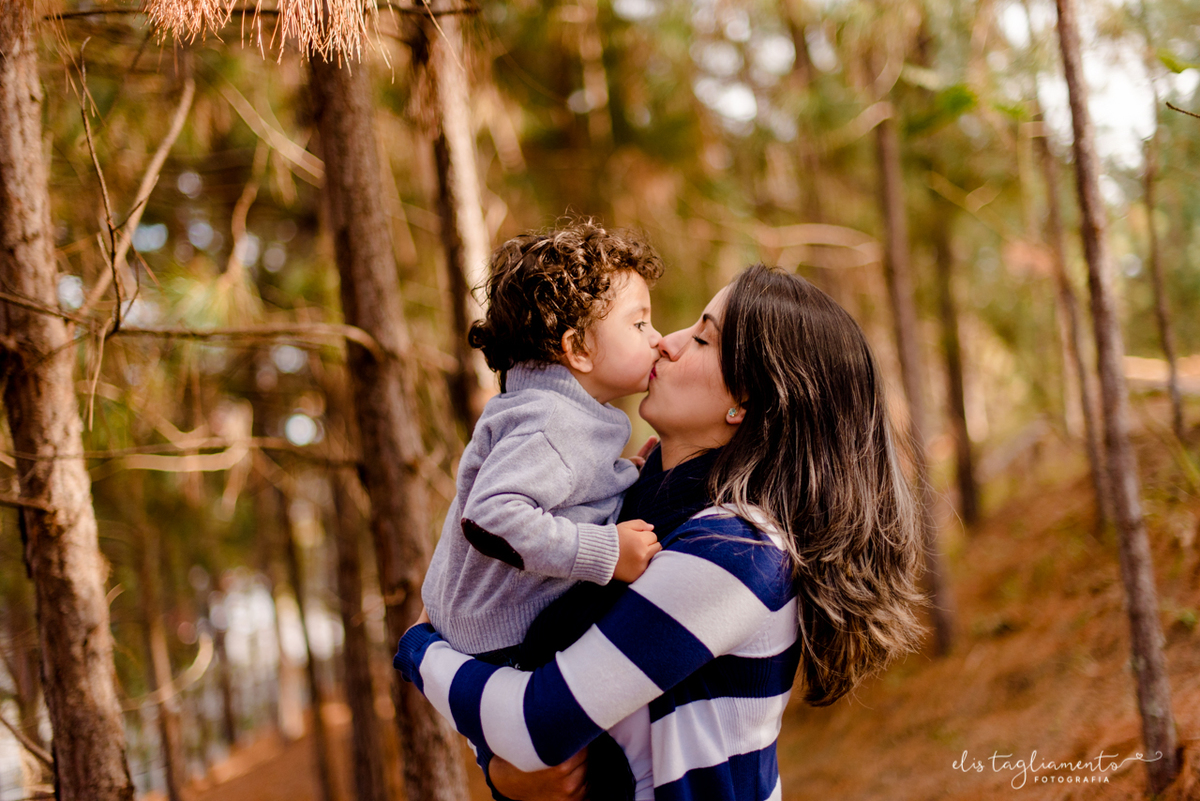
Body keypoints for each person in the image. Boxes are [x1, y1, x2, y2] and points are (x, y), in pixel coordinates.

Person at [399, 265, 927, 801]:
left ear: (744, 401)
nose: (667, 343)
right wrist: (502, 768)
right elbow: (522, 682)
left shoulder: (736, 552)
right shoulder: (635, 509)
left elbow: (537, 721)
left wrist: (421, 650)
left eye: (702, 339)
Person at [420, 220, 666, 798]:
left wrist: (628, 472)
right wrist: (607, 553)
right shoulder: (552, 421)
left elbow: (563, 493)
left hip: (498, 634)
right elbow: (492, 517)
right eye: (639, 322)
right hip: (504, 642)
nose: (658, 337)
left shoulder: (557, 408)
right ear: (577, 348)